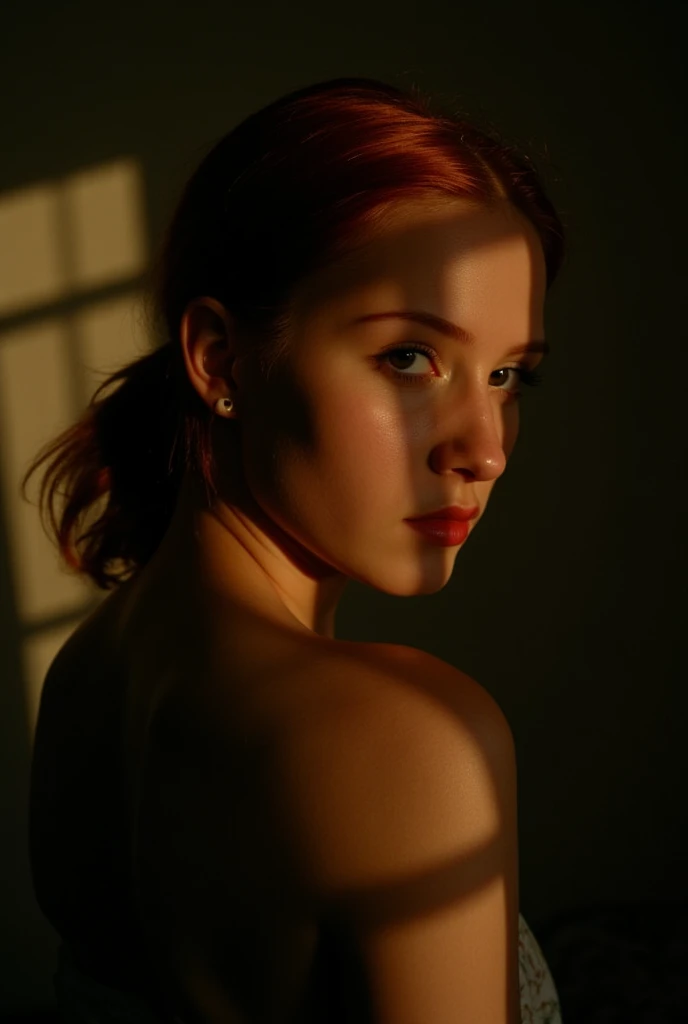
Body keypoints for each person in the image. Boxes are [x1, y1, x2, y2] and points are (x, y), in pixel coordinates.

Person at [24, 77, 565, 1023]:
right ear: (222, 360)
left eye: (509, 374)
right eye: (409, 357)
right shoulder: (409, 741)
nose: (483, 447)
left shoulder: (92, 674)